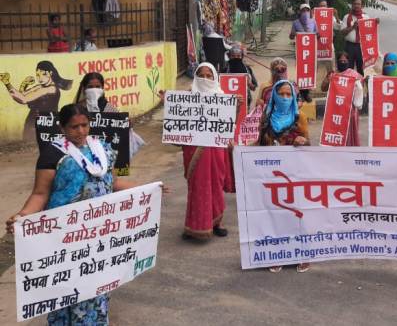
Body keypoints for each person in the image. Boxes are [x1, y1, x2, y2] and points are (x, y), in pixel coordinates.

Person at [5, 103, 165, 325]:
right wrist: (22, 216)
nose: (80, 131)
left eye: (84, 125)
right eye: (74, 127)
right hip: (66, 237)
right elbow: (40, 194)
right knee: (67, 288)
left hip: (99, 233)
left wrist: (150, 189)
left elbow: (113, 183)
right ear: (62, 128)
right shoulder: (53, 154)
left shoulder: (102, 149)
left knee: (97, 285)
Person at [177, 63, 237, 240]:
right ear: (196, 77)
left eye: (209, 76)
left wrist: (237, 106)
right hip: (194, 150)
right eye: (201, 75)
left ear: (214, 77)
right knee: (197, 187)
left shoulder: (221, 96)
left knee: (216, 184)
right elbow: (178, 125)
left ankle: (217, 222)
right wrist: (168, 104)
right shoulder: (188, 97)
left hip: (216, 149)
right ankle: (193, 226)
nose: (205, 79)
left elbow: (228, 124)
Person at [257, 80, 311, 273]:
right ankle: (277, 253)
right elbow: (259, 145)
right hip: (271, 176)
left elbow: (308, 145)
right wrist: (237, 150)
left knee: (296, 214)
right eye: (281, 94)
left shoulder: (299, 117)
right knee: (274, 215)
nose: (285, 98)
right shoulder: (266, 117)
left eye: (289, 94)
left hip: (294, 174)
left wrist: (302, 141)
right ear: (274, 95)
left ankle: (302, 254)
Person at [74, 72, 146, 157]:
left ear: (102, 89)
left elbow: (120, 125)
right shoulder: (77, 109)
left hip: (105, 155)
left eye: (97, 87)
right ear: (84, 89)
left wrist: (128, 123)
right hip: (83, 154)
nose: (94, 90)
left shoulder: (108, 108)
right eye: (90, 87)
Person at [1, 60, 73, 141]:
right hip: (34, 122)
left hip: (44, 124)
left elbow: (23, 99)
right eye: (38, 75)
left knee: (36, 145)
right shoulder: (40, 87)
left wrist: (7, 83)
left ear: (50, 73)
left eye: (44, 74)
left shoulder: (50, 89)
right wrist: (24, 85)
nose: (40, 78)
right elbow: (22, 95)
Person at [320, 51, 364, 146]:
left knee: (349, 132)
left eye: (345, 61)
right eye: (341, 61)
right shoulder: (333, 74)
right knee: (337, 132)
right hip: (336, 110)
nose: (343, 63)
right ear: (337, 62)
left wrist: (360, 83)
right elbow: (323, 88)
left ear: (348, 62)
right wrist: (328, 79)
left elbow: (361, 86)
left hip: (349, 110)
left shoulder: (354, 75)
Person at [340, 0, 379, 75]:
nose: (356, 5)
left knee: (362, 69)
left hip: (362, 47)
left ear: (362, 5)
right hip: (349, 46)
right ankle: (350, 83)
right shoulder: (347, 17)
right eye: (355, 4)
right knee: (348, 69)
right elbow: (342, 32)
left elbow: (370, 32)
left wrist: (375, 23)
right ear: (352, 5)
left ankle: (361, 82)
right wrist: (353, 27)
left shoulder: (366, 17)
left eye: (358, 4)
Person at [224, 44, 258, 110]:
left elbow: (254, 88)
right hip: (227, 101)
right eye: (233, 56)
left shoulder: (247, 69)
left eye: (238, 56)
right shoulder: (225, 68)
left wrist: (249, 84)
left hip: (245, 100)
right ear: (229, 56)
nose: (236, 58)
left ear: (242, 56)